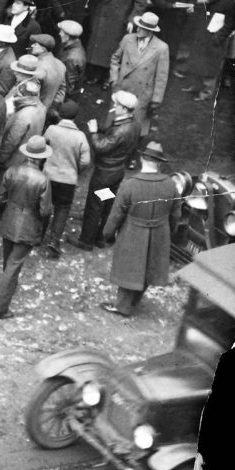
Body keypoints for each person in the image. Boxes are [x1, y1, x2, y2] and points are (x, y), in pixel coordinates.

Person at [100, 142, 181, 318]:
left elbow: (116, 215)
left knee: (129, 269)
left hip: (133, 232)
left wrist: (108, 234)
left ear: (142, 159)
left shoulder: (129, 184)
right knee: (149, 268)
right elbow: (176, 214)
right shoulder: (171, 184)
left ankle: (123, 307)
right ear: (159, 163)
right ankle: (135, 299)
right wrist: (170, 233)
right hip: (160, 231)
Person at [0, 135, 53, 320]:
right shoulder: (43, 180)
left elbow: (0, 197)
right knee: (13, 266)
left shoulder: (12, 171)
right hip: (28, 227)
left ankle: (4, 292)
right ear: (41, 157)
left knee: (7, 263)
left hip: (9, 220)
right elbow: (44, 210)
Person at [72, 90, 142, 250]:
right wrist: (104, 130)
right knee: (106, 204)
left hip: (104, 173)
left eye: (117, 104)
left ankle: (86, 241)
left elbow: (101, 147)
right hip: (117, 172)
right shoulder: (134, 125)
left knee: (94, 205)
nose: (114, 107)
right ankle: (100, 238)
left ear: (124, 108)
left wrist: (94, 132)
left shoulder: (120, 130)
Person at [85, 0, 148, 85]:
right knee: (97, 49)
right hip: (101, 18)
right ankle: (95, 75)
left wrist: (132, 19)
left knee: (112, 51)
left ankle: (108, 78)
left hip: (119, 21)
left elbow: (140, 3)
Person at [41, 100, 92, 258]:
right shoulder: (80, 136)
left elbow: (42, 147)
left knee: (44, 206)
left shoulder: (51, 130)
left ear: (60, 114)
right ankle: (54, 241)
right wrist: (75, 169)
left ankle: (38, 235)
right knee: (62, 209)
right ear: (75, 116)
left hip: (48, 175)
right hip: (68, 179)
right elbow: (86, 161)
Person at [181, 0, 235, 101]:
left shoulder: (231, 2)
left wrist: (218, 38)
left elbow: (230, 24)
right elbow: (207, 9)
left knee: (210, 67)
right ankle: (195, 86)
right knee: (197, 62)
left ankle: (206, 93)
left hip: (215, 39)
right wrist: (195, 9)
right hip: (204, 35)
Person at [108, 11, 170, 138]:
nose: (139, 29)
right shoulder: (127, 39)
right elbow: (115, 59)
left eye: (144, 28)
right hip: (122, 87)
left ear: (151, 30)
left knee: (134, 127)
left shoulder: (161, 48)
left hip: (141, 93)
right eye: (139, 26)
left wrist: (156, 99)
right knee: (114, 122)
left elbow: (161, 77)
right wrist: (114, 79)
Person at [149, 0, 199, 78]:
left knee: (174, 46)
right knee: (161, 45)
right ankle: (155, 71)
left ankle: (170, 70)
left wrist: (191, 4)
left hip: (180, 19)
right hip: (165, 19)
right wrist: (169, 5)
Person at [27, 34, 67, 111]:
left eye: (35, 44)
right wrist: (54, 107)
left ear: (43, 49)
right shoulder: (61, 65)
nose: (32, 46)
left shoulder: (37, 67)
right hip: (49, 109)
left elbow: (30, 94)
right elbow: (62, 89)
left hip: (34, 110)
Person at [57, 20, 88, 100]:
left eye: (61, 32)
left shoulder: (71, 58)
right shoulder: (74, 47)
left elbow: (68, 86)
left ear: (67, 37)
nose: (59, 34)